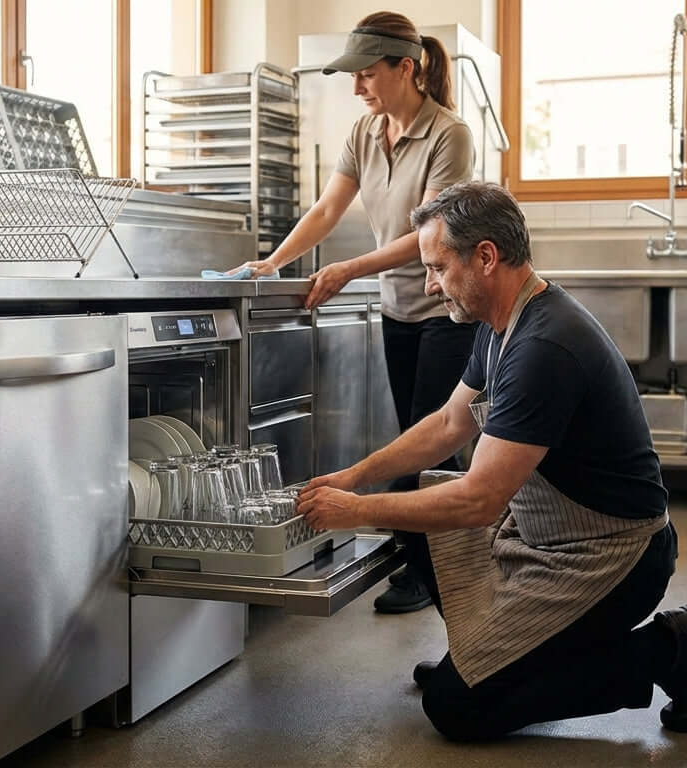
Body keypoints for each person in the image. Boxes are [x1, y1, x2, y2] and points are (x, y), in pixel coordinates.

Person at [297, 182, 687, 740]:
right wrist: (356, 475)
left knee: (457, 707)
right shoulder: (502, 323)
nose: (430, 284)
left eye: (438, 267)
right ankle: (489, 656)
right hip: (543, 531)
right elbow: (449, 424)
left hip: (613, 556)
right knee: (414, 522)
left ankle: (667, 650)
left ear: (486, 258)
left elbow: (478, 500)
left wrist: (356, 511)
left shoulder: (544, 346)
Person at [229, 11, 476, 613]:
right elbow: (326, 209)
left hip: (447, 310)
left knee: (431, 442)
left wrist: (345, 270)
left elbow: (427, 234)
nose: (357, 86)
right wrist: (274, 260)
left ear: (406, 69)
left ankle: (427, 571)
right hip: (398, 309)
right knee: (415, 438)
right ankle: (429, 560)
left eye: (367, 74)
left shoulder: (450, 134)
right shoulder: (364, 134)